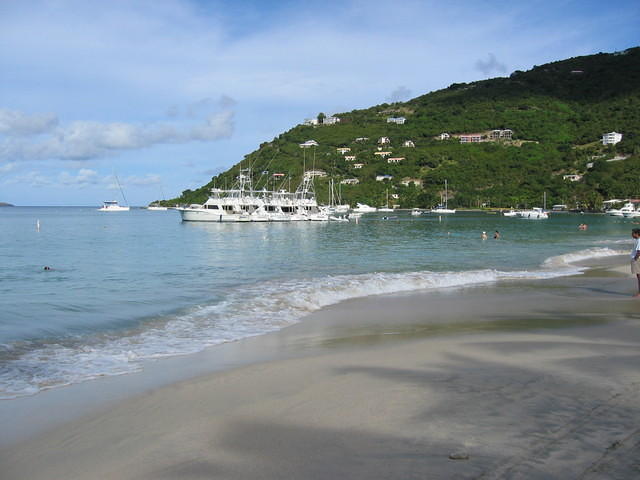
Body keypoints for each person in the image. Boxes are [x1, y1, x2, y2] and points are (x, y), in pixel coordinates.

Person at [631, 228, 640, 297]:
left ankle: (639, 293)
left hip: (637, 259)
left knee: (639, 276)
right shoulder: (637, 240)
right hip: (637, 259)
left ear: (637, 234)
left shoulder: (639, 241)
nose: (632, 234)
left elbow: (639, 251)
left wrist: (634, 259)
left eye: (633, 233)